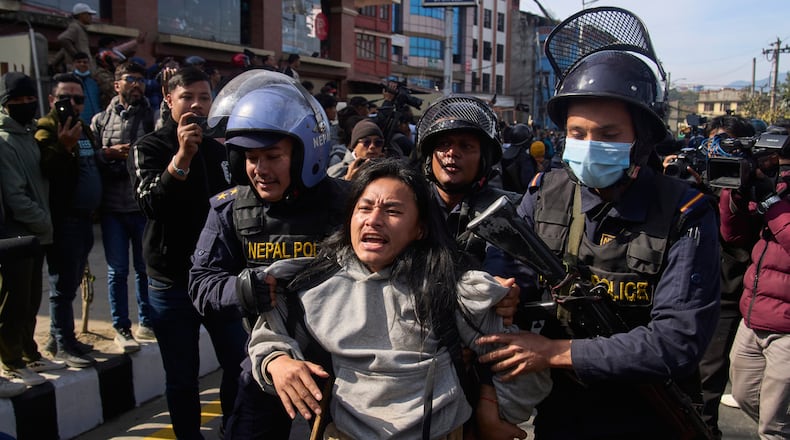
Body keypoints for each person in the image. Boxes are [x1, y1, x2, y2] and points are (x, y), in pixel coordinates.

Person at [476, 49, 721, 439]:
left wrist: (553, 352)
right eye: (577, 134)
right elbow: (508, 263)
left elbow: (677, 341)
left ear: (641, 139)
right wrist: (505, 291)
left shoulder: (684, 212)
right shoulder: (544, 192)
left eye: (608, 135)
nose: (589, 145)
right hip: (561, 406)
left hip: (649, 412)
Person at [248, 158, 551, 439]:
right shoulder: (311, 284)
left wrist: (495, 411)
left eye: (392, 211)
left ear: (420, 228)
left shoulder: (451, 286)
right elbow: (268, 335)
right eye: (364, 208)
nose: (374, 220)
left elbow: (519, 363)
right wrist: (277, 362)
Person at [188, 69, 349, 439]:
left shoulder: (349, 205)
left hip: (342, 362)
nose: (260, 170)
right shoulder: (230, 210)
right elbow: (200, 283)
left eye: (273, 156)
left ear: (305, 153)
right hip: (268, 360)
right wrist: (242, 289)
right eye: (251, 157)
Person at [127, 66, 247, 438]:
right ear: (168, 100)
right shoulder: (149, 147)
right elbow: (151, 205)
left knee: (239, 364)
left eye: (204, 97)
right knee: (181, 377)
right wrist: (182, 156)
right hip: (171, 283)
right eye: (187, 97)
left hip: (219, 280)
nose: (196, 105)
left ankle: (232, 430)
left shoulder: (222, 150)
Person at [720, 128, 790, 439]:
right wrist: (735, 193)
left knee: (773, 426)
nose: (777, 168)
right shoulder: (779, 190)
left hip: (786, 328)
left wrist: (772, 202)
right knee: (745, 394)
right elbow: (734, 234)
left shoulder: (777, 198)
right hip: (753, 316)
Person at [0, 72, 64, 390]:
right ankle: (11, 360)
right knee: (13, 302)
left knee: (30, 300)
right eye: (17, 100)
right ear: (5, 104)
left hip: (36, 232)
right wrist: (44, 221)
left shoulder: (28, 134)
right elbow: (15, 196)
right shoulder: (4, 141)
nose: (25, 104)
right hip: (17, 233)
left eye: (29, 99)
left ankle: (29, 353)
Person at [36, 73, 102, 369]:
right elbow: (45, 170)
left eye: (78, 98)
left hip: (85, 218)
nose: (72, 104)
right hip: (64, 219)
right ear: (52, 100)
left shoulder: (82, 128)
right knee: (61, 286)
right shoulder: (46, 130)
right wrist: (62, 147)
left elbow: (89, 163)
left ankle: (59, 337)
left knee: (72, 281)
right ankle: (63, 343)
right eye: (65, 98)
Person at [91, 61, 156, 353]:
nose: (137, 84)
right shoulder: (99, 120)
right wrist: (108, 154)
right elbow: (87, 155)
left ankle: (147, 321)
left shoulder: (152, 117)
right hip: (112, 209)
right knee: (117, 271)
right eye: (131, 79)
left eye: (141, 80)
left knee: (144, 269)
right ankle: (121, 326)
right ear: (117, 84)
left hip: (140, 208)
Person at [53, 3, 96, 72]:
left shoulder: (80, 28)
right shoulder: (75, 26)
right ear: (81, 15)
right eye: (89, 14)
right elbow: (63, 38)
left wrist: (53, 63)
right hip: (78, 70)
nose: (91, 17)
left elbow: (65, 48)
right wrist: (77, 56)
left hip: (81, 69)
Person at [498, 123, 537, 194]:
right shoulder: (524, 158)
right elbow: (528, 182)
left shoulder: (504, 155)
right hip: (522, 196)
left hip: (506, 194)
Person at [72, 52, 102, 124]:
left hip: (96, 120)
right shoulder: (70, 81)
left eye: (85, 62)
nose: (82, 64)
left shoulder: (94, 81)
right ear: (74, 64)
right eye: (79, 62)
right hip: (79, 121)